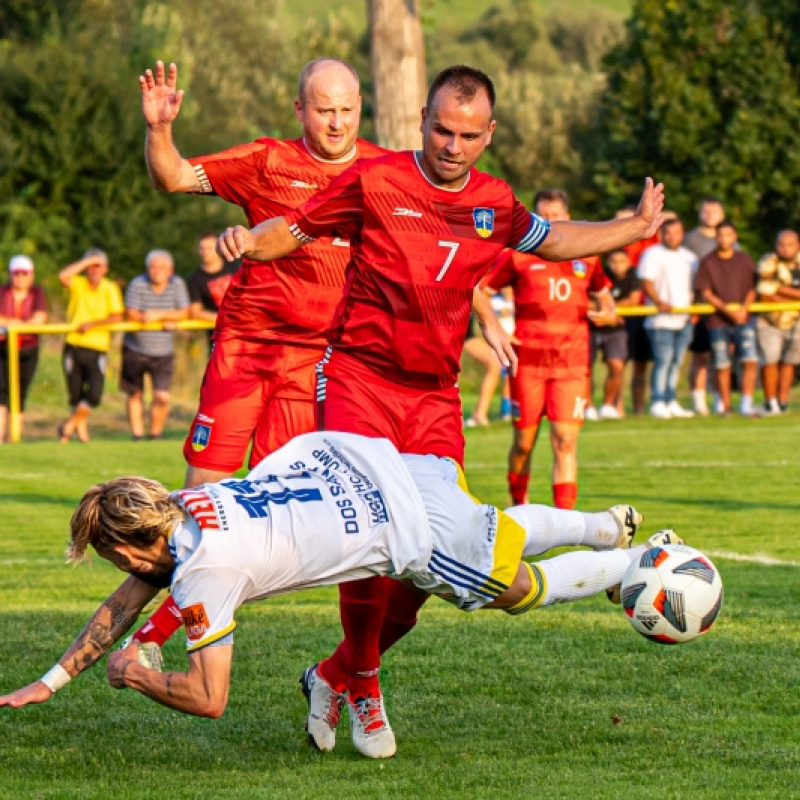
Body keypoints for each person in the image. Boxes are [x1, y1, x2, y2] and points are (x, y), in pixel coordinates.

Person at [217, 64, 665, 755]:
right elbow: (296, 229)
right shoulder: (377, 179)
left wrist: (632, 226)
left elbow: (556, 239)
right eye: (440, 130)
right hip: (360, 380)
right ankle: (363, 682)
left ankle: (335, 674)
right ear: (421, 118)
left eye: (466, 135)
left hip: (433, 398)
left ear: (489, 134)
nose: (451, 146)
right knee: (373, 534)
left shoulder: (494, 200)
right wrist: (250, 241)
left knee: (431, 552)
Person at [0, 430, 661, 748]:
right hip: (387, 464)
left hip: (407, 526)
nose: (119, 577)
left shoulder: (206, 571)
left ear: (123, 549)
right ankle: (602, 529)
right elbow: (129, 600)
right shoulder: (185, 503)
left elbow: (209, 698)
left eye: (109, 559)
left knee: (515, 589)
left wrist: (133, 676)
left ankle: (640, 566)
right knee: (492, 531)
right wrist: (53, 679)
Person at [127, 58, 387, 676]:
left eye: (348, 110)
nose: (337, 122)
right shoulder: (265, 161)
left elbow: (435, 235)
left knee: (295, 521)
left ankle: (345, 673)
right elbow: (169, 177)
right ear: (300, 109)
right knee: (198, 503)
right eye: (324, 109)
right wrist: (160, 130)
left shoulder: (382, 172)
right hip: (246, 350)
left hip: (317, 365)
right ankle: (167, 630)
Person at [480, 188, 614, 507]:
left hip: (572, 363)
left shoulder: (588, 255)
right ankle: (519, 506)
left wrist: (608, 311)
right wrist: (497, 325)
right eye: (543, 215)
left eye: (555, 215)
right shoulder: (518, 255)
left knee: (565, 441)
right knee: (524, 443)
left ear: (568, 217)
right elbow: (481, 291)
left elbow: (604, 293)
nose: (549, 221)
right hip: (528, 362)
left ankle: (564, 520)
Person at [121, 249, 189, 440]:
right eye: (152, 267)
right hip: (135, 348)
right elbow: (132, 313)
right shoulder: (137, 284)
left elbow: (184, 312)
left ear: (170, 270)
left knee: (162, 396)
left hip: (163, 350)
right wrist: (166, 316)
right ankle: (137, 435)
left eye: (161, 267)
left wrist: (156, 316)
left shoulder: (177, 284)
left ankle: (155, 434)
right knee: (135, 394)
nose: (156, 271)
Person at [58, 250, 124, 443]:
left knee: (94, 394)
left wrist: (92, 324)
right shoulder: (78, 283)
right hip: (74, 344)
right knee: (75, 393)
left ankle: (68, 426)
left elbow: (117, 316)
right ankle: (81, 435)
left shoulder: (110, 288)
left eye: (98, 265)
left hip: (97, 346)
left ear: (105, 269)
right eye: (91, 266)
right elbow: (63, 276)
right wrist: (87, 261)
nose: (94, 270)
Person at [693, 221, 757, 416]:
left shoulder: (745, 259)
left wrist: (743, 310)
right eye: (720, 235)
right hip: (717, 321)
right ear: (716, 237)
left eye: (728, 234)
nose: (724, 239)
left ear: (735, 236)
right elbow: (706, 293)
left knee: (749, 360)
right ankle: (725, 406)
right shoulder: (708, 262)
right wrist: (730, 312)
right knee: (721, 363)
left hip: (744, 319)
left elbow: (752, 288)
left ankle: (746, 404)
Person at [637, 217, 697, 418]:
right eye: (668, 232)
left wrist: (694, 310)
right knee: (663, 361)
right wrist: (659, 302)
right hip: (660, 320)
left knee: (676, 363)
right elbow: (647, 281)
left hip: (684, 319)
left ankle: (671, 400)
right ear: (661, 234)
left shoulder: (690, 257)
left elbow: (694, 286)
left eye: (677, 232)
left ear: (683, 234)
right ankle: (657, 401)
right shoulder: (652, 254)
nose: (672, 237)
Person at [683, 197, 728, 415]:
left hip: (722, 307)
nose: (710, 215)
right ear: (700, 213)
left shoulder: (728, 238)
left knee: (721, 354)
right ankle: (698, 400)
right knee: (700, 355)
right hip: (700, 306)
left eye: (715, 211)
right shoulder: (691, 239)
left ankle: (720, 398)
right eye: (706, 211)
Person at [591, 248, 644, 418]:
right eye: (613, 262)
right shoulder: (599, 275)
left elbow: (633, 301)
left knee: (617, 366)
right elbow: (586, 301)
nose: (617, 266)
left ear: (628, 262)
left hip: (616, 328)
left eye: (621, 262)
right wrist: (609, 313)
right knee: (585, 369)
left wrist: (610, 312)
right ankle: (588, 407)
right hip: (593, 325)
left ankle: (608, 405)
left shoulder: (633, 275)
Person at [0, 255, 48, 442]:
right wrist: (21, 324)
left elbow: (39, 320)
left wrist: (11, 324)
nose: (20, 277)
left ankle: (15, 436)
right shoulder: (3, 292)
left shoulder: (37, 293)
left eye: (24, 273)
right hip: (2, 348)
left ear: (31, 275)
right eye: (16, 273)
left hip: (27, 349)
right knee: (1, 390)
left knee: (19, 392)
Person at [754, 230, 800, 414]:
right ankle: (769, 402)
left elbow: (775, 291)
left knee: (790, 361)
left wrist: (781, 290)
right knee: (770, 360)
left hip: (795, 320)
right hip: (770, 321)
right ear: (776, 245)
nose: (786, 249)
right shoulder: (769, 261)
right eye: (782, 244)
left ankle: (781, 403)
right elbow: (766, 294)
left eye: (790, 244)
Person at [186, 232, 239, 350]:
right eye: (202, 248)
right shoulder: (195, 279)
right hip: (219, 335)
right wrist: (223, 318)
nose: (205, 252)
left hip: (244, 330)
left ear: (218, 248)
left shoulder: (234, 267)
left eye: (209, 248)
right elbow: (195, 312)